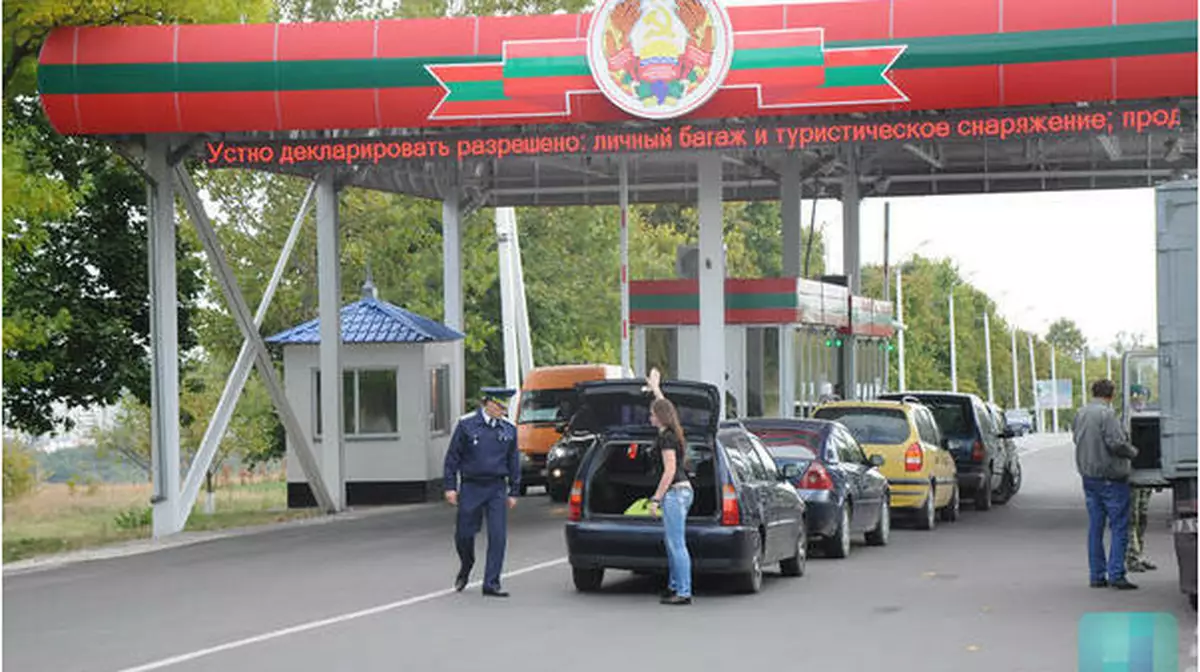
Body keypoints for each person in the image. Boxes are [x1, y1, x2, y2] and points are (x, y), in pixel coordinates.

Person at [444, 387, 521, 597]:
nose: (502, 411)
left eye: (505, 407)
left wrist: (514, 490)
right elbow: (452, 458)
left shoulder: (509, 429)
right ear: (487, 403)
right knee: (464, 534)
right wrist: (450, 487)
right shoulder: (467, 425)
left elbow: (513, 461)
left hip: (496, 487)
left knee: (498, 536)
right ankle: (466, 564)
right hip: (471, 486)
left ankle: (491, 583)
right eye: (499, 406)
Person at [1073, 379, 1139, 590]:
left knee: (1095, 527)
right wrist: (1133, 452)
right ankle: (1116, 574)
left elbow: (1077, 439)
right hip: (1111, 478)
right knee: (1119, 526)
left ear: (1094, 393)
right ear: (1111, 396)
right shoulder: (1107, 415)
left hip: (1088, 477)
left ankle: (1096, 574)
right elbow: (1116, 443)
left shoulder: (1080, 413)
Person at [645, 368, 694, 606]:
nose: (649, 418)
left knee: (676, 543)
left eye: (652, 415)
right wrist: (655, 387)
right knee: (672, 542)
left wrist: (655, 499)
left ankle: (683, 591)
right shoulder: (674, 431)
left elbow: (670, 471)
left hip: (675, 493)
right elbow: (664, 404)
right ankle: (674, 586)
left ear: (660, 417)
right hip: (683, 492)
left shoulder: (666, 438)